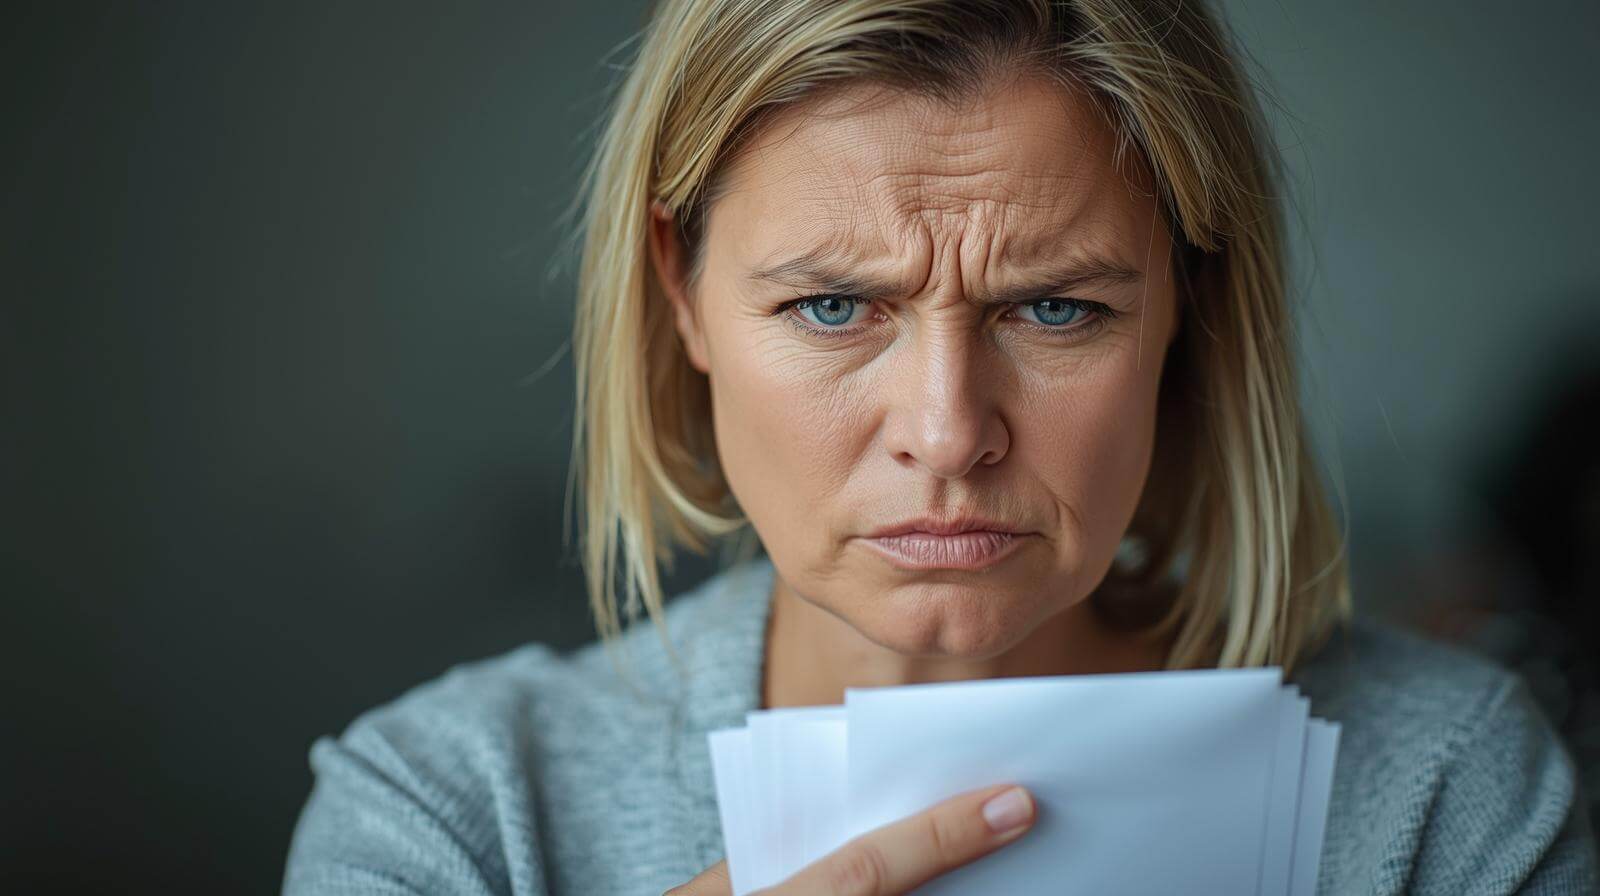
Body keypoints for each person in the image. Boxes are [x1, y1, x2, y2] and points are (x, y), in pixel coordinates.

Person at [281, 0, 1600, 893]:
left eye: (1056, 308)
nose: (949, 434)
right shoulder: (452, 812)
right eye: (832, 307)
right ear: (680, 290)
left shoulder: (1444, 787)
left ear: (1186, 304)